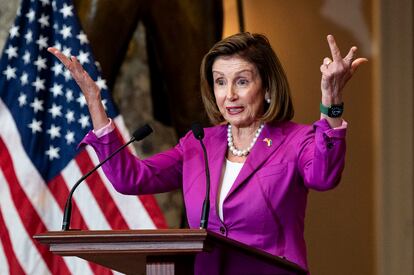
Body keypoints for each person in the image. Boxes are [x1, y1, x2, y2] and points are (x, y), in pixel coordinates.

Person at [48, 32, 367, 272]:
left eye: (242, 81)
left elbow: (324, 176)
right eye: (219, 82)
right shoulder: (199, 143)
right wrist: (94, 102)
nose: (229, 94)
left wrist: (331, 102)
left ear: (267, 87)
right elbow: (131, 179)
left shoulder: (295, 139)